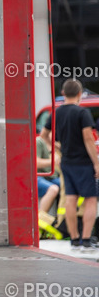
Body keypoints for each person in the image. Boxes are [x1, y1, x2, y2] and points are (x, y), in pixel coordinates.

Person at [48, 79, 99, 250]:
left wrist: (58, 147)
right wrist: (97, 163)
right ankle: (86, 239)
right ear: (79, 94)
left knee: (70, 199)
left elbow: (44, 135)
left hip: (67, 162)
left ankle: (74, 239)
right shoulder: (82, 113)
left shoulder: (57, 112)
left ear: (63, 93)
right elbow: (88, 138)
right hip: (84, 162)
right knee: (91, 200)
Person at [35, 132, 60, 218]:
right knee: (53, 189)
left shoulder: (57, 145)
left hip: (52, 177)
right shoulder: (39, 141)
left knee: (69, 186)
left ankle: (61, 220)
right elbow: (35, 162)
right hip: (38, 176)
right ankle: (40, 220)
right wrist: (52, 162)